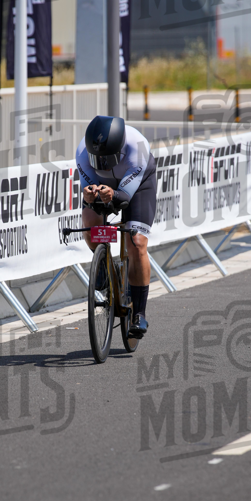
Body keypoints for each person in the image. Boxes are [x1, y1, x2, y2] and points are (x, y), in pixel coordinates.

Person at [76, 115, 157, 338]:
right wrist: (90, 196)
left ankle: (139, 313)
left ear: (120, 149)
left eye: (107, 158)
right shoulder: (82, 152)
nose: (101, 163)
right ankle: (102, 268)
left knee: (136, 241)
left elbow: (123, 198)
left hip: (138, 184)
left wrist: (114, 195)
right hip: (104, 183)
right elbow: (88, 189)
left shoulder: (137, 147)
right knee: (91, 226)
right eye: (97, 158)